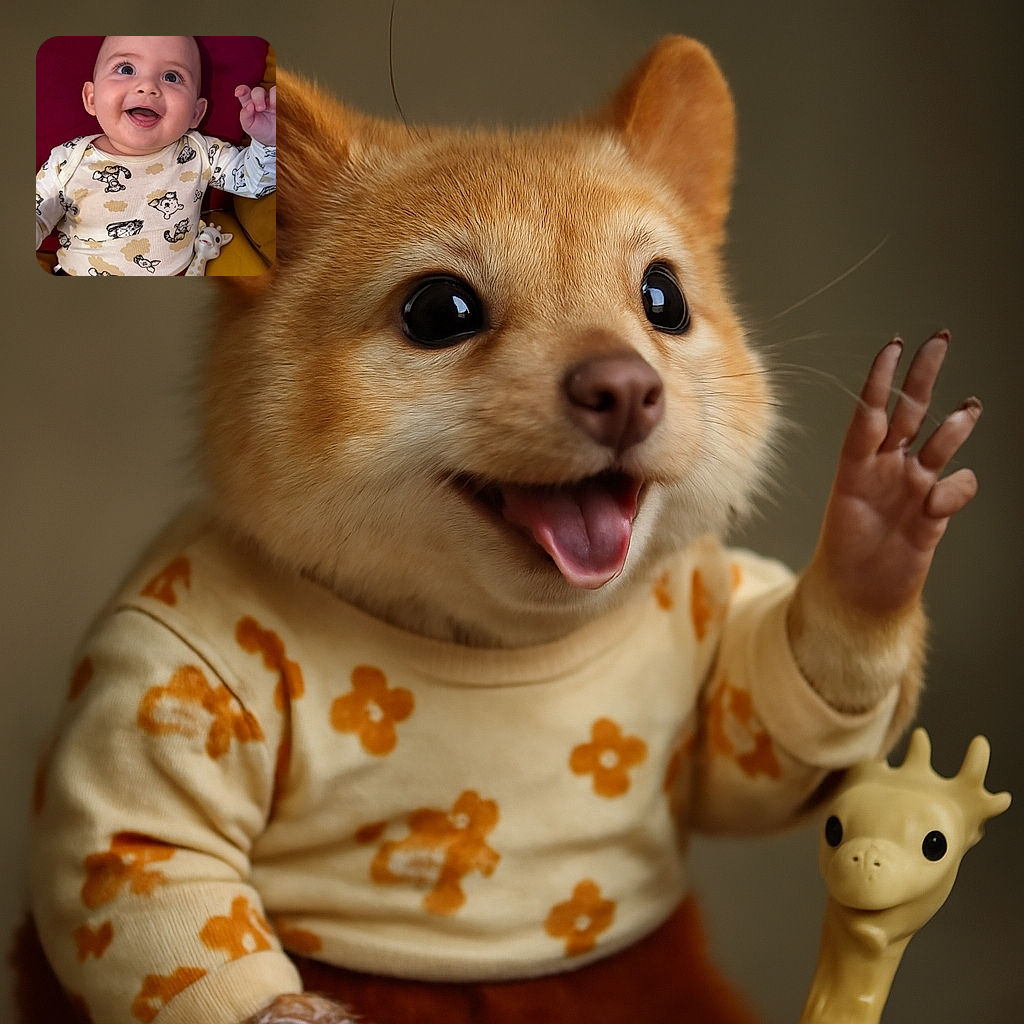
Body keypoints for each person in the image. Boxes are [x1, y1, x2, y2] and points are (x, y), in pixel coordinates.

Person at [35, 35, 276, 276]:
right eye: (126, 69)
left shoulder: (201, 153)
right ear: (91, 98)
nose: (148, 86)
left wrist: (267, 142)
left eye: (171, 77)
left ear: (195, 113)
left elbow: (255, 183)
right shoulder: (68, 160)